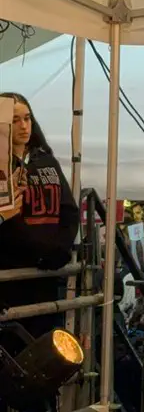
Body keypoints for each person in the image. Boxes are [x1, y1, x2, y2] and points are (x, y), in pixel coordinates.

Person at [0, 92, 79, 412]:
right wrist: (41, 252)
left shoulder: (46, 160)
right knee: (15, 367)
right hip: (14, 279)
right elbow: (7, 223)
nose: (23, 126)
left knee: (48, 366)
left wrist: (60, 249)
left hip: (47, 278)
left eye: (27, 118)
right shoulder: (5, 168)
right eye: (15, 119)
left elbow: (70, 211)